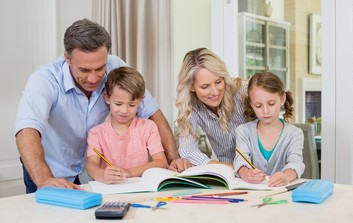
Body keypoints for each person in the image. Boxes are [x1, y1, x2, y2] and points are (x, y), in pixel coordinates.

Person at [15, 19, 185, 193]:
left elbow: (152, 112)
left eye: (100, 68)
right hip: (50, 169)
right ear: (67, 58)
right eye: (84, 70)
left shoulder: (115, 66)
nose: (93, 78)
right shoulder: (44, 79)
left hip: (90, 177)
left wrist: (173, 159)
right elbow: (26, 130)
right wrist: (44, 179)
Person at [86, 67, 168, 183]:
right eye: (118, 104)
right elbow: (91, 166)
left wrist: (129, 172)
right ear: (107, 98)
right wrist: (103, 175)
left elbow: (161, 162)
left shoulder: (148, 127)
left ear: (141, 101)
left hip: (140, 189)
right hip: (109, 191)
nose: (124, 111)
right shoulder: (96, 133)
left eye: (132, 105)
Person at [174, 47, 248, 167]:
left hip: (264, 171)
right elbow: (188, 151)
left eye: (218, 82)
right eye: (205, 87)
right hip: (229, 173)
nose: (215, 92)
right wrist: (235, 169)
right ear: (191, 87)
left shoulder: (243, 91)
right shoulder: (190, 106)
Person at [233, 72, 305, 187]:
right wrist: (246, 174)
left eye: (271, 104)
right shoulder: (243, 131)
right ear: (251, 104)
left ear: (282, 99)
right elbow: (240, 161)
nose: (265, 111)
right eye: (258, 106)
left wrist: (286, 176)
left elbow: (296, 163)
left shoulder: (294, 134)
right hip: (251, 196)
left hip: (283, 195)